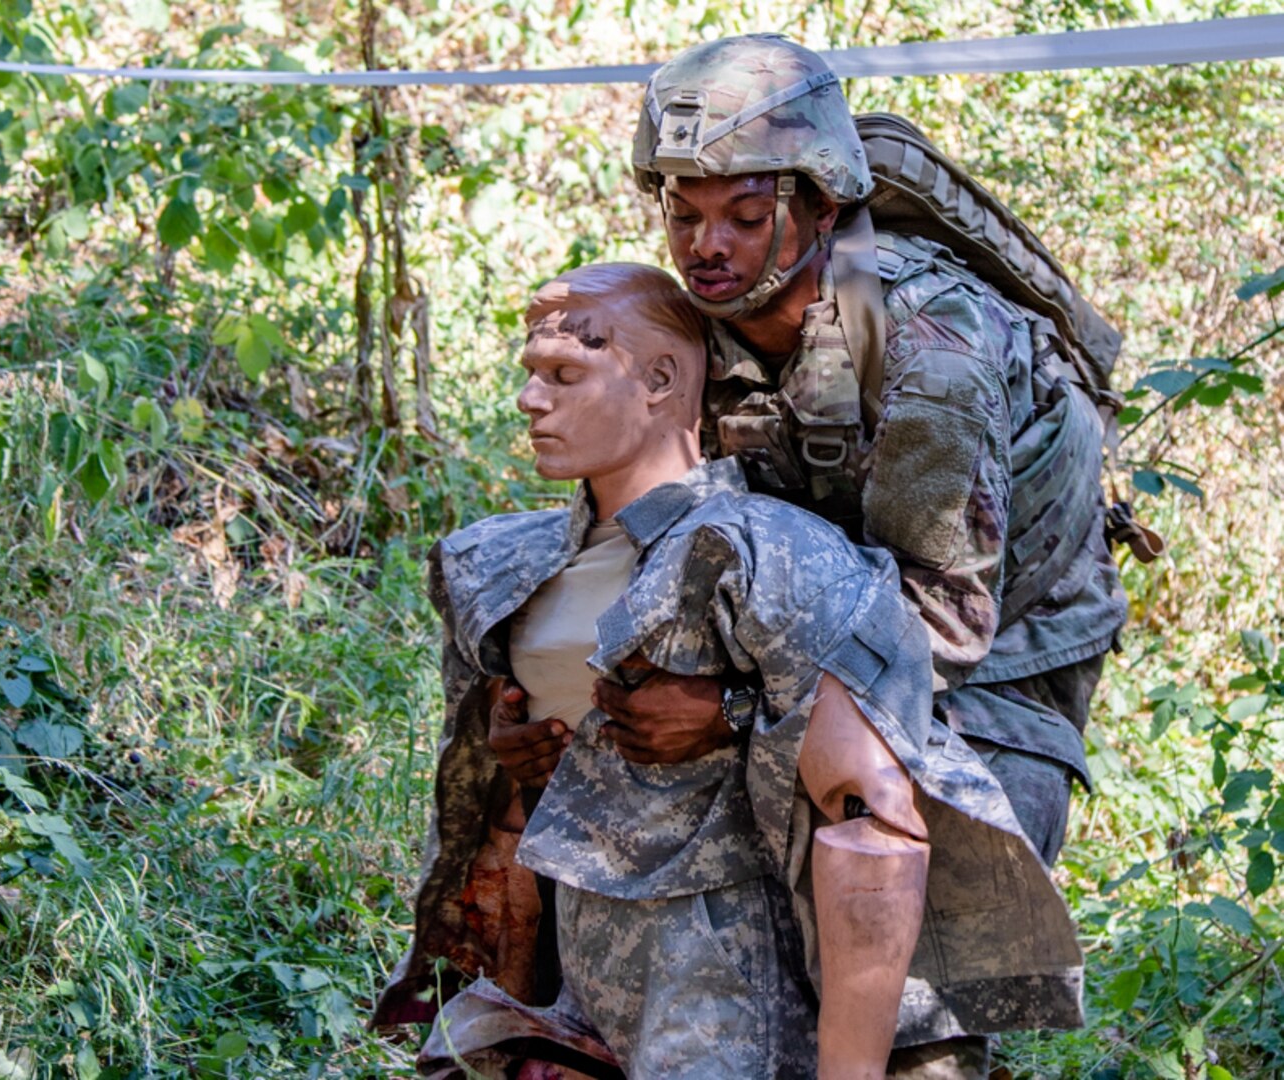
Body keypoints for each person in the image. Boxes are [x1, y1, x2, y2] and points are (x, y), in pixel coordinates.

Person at [485, 35, 1127, 1077]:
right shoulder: (701, 329)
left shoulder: (927, 346)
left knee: (919, 969)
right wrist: (587, 699)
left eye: (744, 216)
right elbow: (670, 528)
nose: (706, 247)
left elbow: (938, 629)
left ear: (821, 208)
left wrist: (729, 714)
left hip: (998, 668)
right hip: (810, 641)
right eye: (682, 215)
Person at [372, 263, 1083, 1079]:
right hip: (567, 972)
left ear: (661, 381)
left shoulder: (758, 551)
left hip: (716, 981)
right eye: (531, 375)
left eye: (565, 374)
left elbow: (870, 821)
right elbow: (490, 816)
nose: (532, 401)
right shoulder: (497, 563)